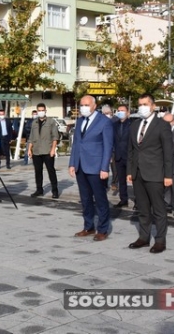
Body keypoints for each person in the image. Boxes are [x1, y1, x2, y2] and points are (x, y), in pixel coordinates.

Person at [127, 94, 173, 254]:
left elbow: (168, 152)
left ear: (153, 106)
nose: (142, 107)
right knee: (143, 208)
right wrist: (129, 171)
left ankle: (160, 241)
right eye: (140, 104)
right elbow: (131, 150)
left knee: (159, 209)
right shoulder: (134, 125)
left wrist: (168, 175)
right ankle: (143, 238)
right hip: (138, 174)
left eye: (145, 104)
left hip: (155, 173)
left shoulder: (162, 125)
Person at [69, 95, 113, 241]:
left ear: (94, 106)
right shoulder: (80, 120)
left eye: (86, 105)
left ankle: (102, 229)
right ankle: (88, 226)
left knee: (100, 199)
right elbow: (76, 144)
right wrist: (72, 163)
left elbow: (108, 147)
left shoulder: (104, 122)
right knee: (85, 199)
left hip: (96, 167)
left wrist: (105, 168)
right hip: (81, 166)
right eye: (81, 105)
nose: (83, 107)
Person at [29, 103, 59, 199]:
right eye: (39, 110)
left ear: (45, 111)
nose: (41, 112)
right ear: (37, 111)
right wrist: (29, 149)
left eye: (43, 110)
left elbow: (55, 137)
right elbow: (31, 137)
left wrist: (53, 149)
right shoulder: (34, 123)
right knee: (38, 171)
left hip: (47, 150)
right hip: (36, 151)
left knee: (51, 171)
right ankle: (39, 190)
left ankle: (55, 190)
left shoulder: (51, 122)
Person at [113, 104, 131, 208]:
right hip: (118, 156)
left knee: (133, 180)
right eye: (119, 110)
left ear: (128, 113)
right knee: (121, 180)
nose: (120, 112)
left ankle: (138, 202)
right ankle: (123, 199)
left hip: (129, 156)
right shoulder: (114, 124)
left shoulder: (132, 124)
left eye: (123, 110)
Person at [101, 104, 119, 191]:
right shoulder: (101, 121)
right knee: (104, 167)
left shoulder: (115, 121)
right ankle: (104, 184)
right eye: (104, 113)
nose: (106, 115)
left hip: (114, 148)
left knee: (114, 167)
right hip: (104, 148)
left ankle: (114, 183)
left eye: (107, 113)